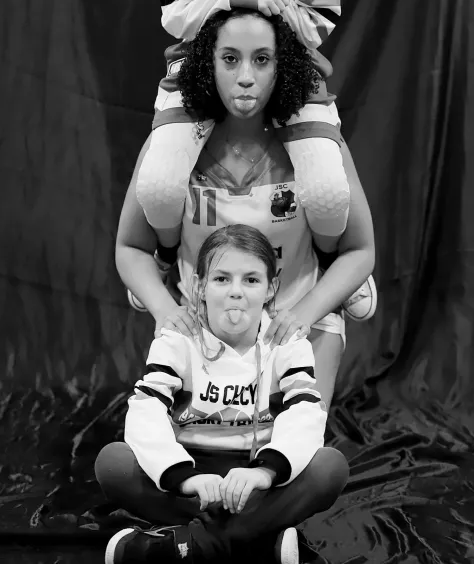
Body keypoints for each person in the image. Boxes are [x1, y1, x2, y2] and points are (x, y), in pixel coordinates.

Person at [116, 8, 376, 410]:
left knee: (295, 445)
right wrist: (166, 311)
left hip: (296, 323)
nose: (246, 77)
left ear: (282, 66)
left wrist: (305, 313)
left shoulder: (318, 151)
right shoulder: (171, 150)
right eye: (230, 58)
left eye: (262, 59)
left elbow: (361, 250)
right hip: (203, 329)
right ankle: (169, 262)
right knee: (186, 447)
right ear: (207, 64)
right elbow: (130, 247)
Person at [137, 0, 351, 278]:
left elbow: (317, 24)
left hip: (285, 64)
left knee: (329, 192)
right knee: (157, 187)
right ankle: (168, 257)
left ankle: (331, 264)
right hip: (203, 63)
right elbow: (174, 16)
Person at [97, 224, 350, 564]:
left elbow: (305, 415)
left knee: (329, 467)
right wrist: (184, 478)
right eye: (221, 279)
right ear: (199, 286)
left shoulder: (288, 342)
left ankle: (183, 546)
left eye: (251, 280)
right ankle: (258, 540)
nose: (236, 292)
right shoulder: (177, 339)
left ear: (271, 288)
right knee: (114, 463)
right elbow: (146, 413)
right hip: (192, 470)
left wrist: (264, 473)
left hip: (255, 476)